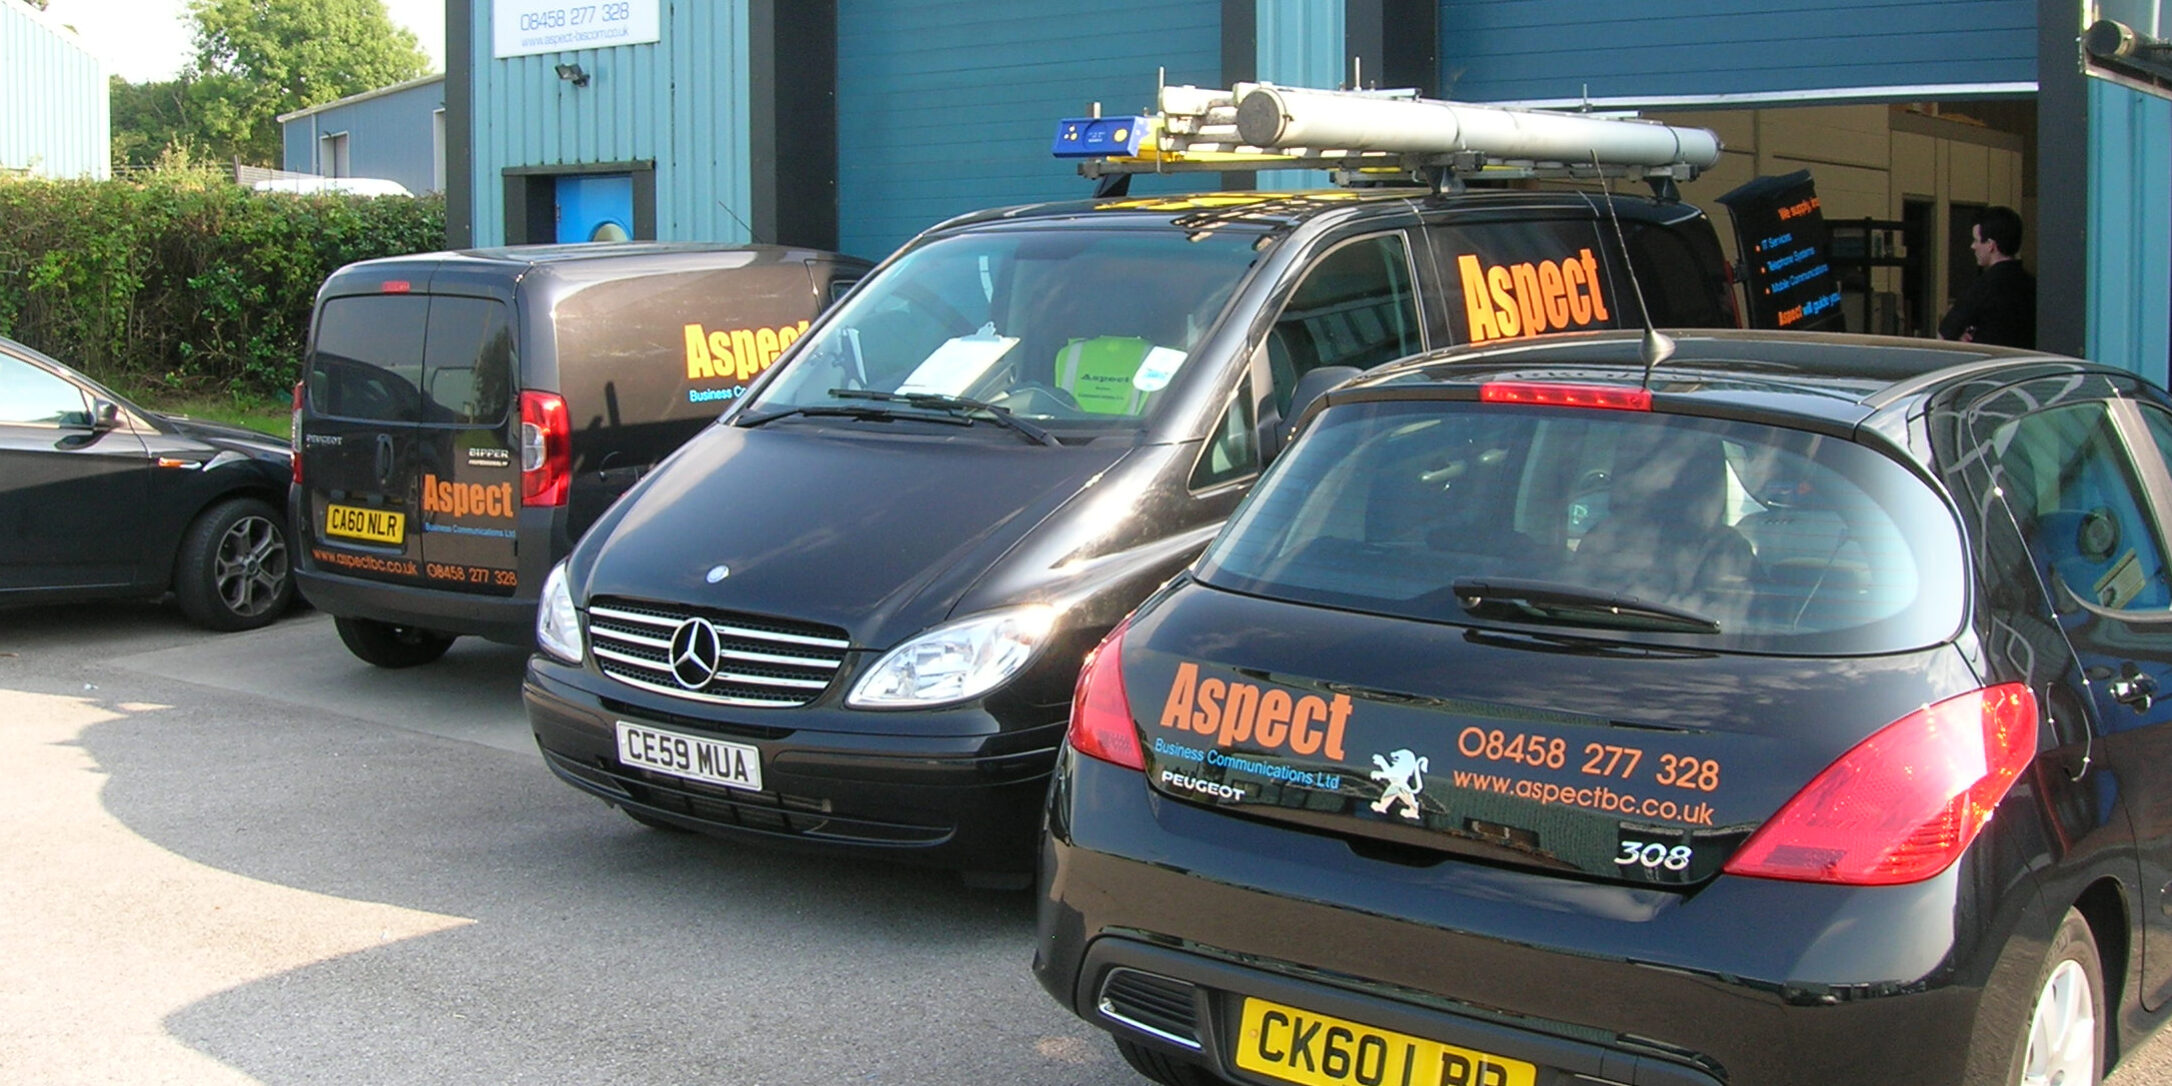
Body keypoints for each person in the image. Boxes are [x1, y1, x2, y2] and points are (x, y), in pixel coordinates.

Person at [1939, 206, 2036, 348]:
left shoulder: (1982, 288)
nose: (1973, 246)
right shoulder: (2032, 286)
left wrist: (1960, 338)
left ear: (1991, 245)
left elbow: (1944, 336)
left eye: (1976, 240)